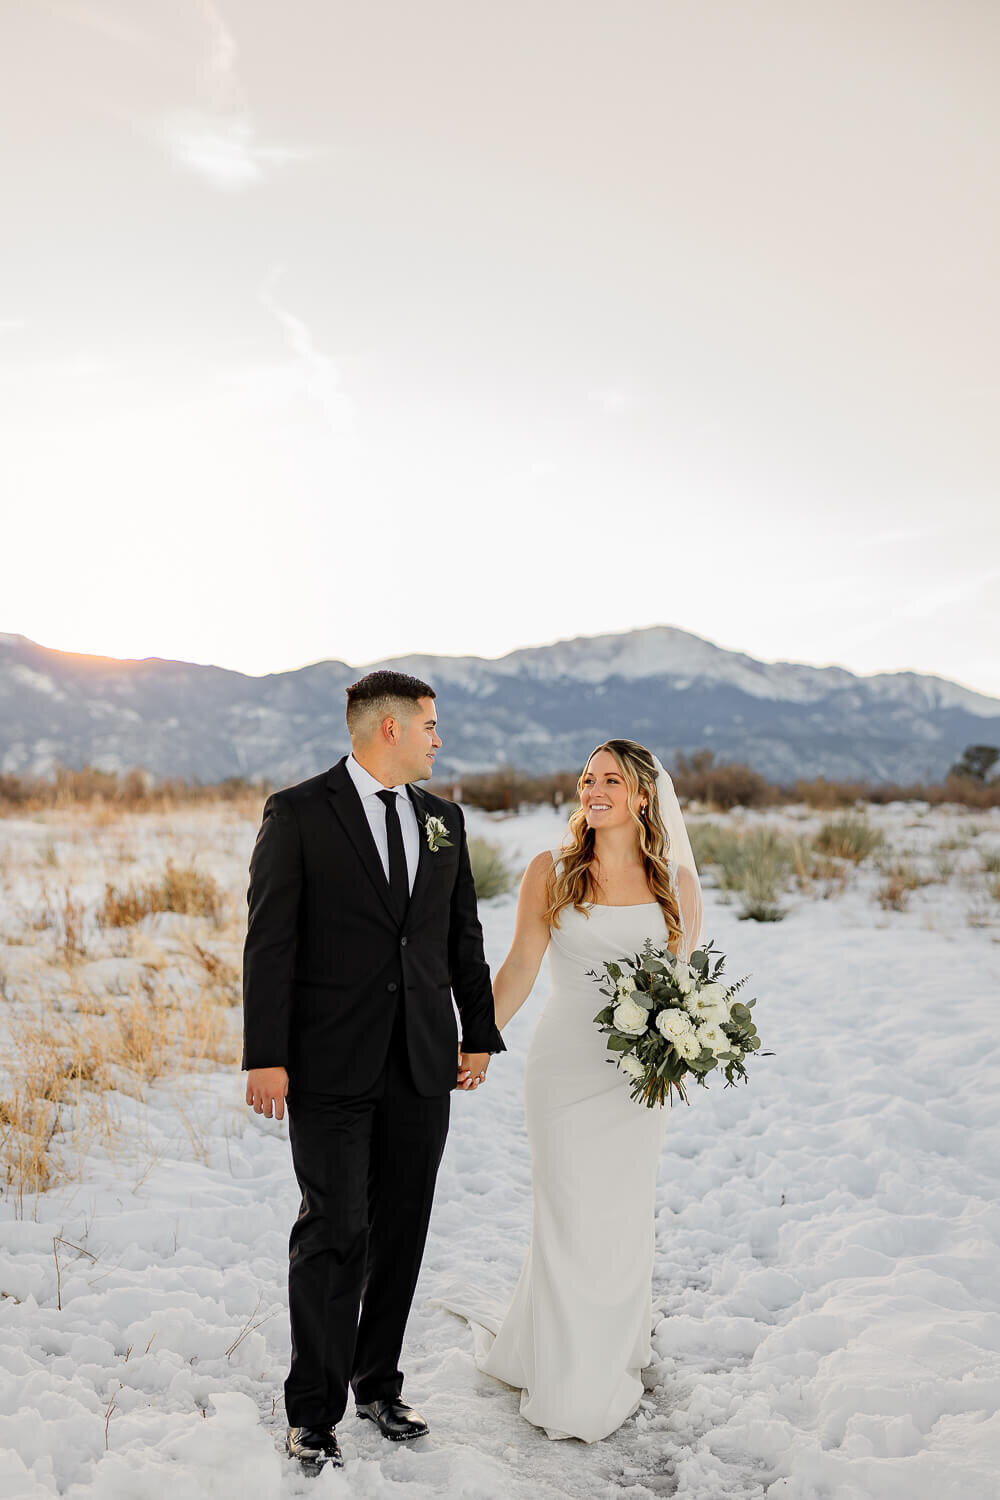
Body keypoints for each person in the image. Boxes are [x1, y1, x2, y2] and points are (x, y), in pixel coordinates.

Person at [242, 669, 505, 1474]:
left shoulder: (444, 822)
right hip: (327, 1063)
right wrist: (266, 1054)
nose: (438, 737)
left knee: (401, 1229)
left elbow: (460, 936)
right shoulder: (298, 813)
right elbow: (270, 942)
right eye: (430, 724)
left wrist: (478, 1030)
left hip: (422, 1059)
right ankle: (312, 1413)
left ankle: (378, 1384)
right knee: (334, 1229)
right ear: (387, 728)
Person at [442, 738, 703, 1443]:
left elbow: (686, 989)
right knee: (566, 1214)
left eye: (611, 780)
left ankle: (609, 1351)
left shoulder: (675, 882)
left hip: (635, 1079)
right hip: (562, 1072)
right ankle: (567, 1375)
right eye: (588, 778)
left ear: (643, 797)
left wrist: (681, 1051)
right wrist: (478, 1041)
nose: (595, 789)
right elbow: (523, 963)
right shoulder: (550, 871)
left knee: (619, 1217)